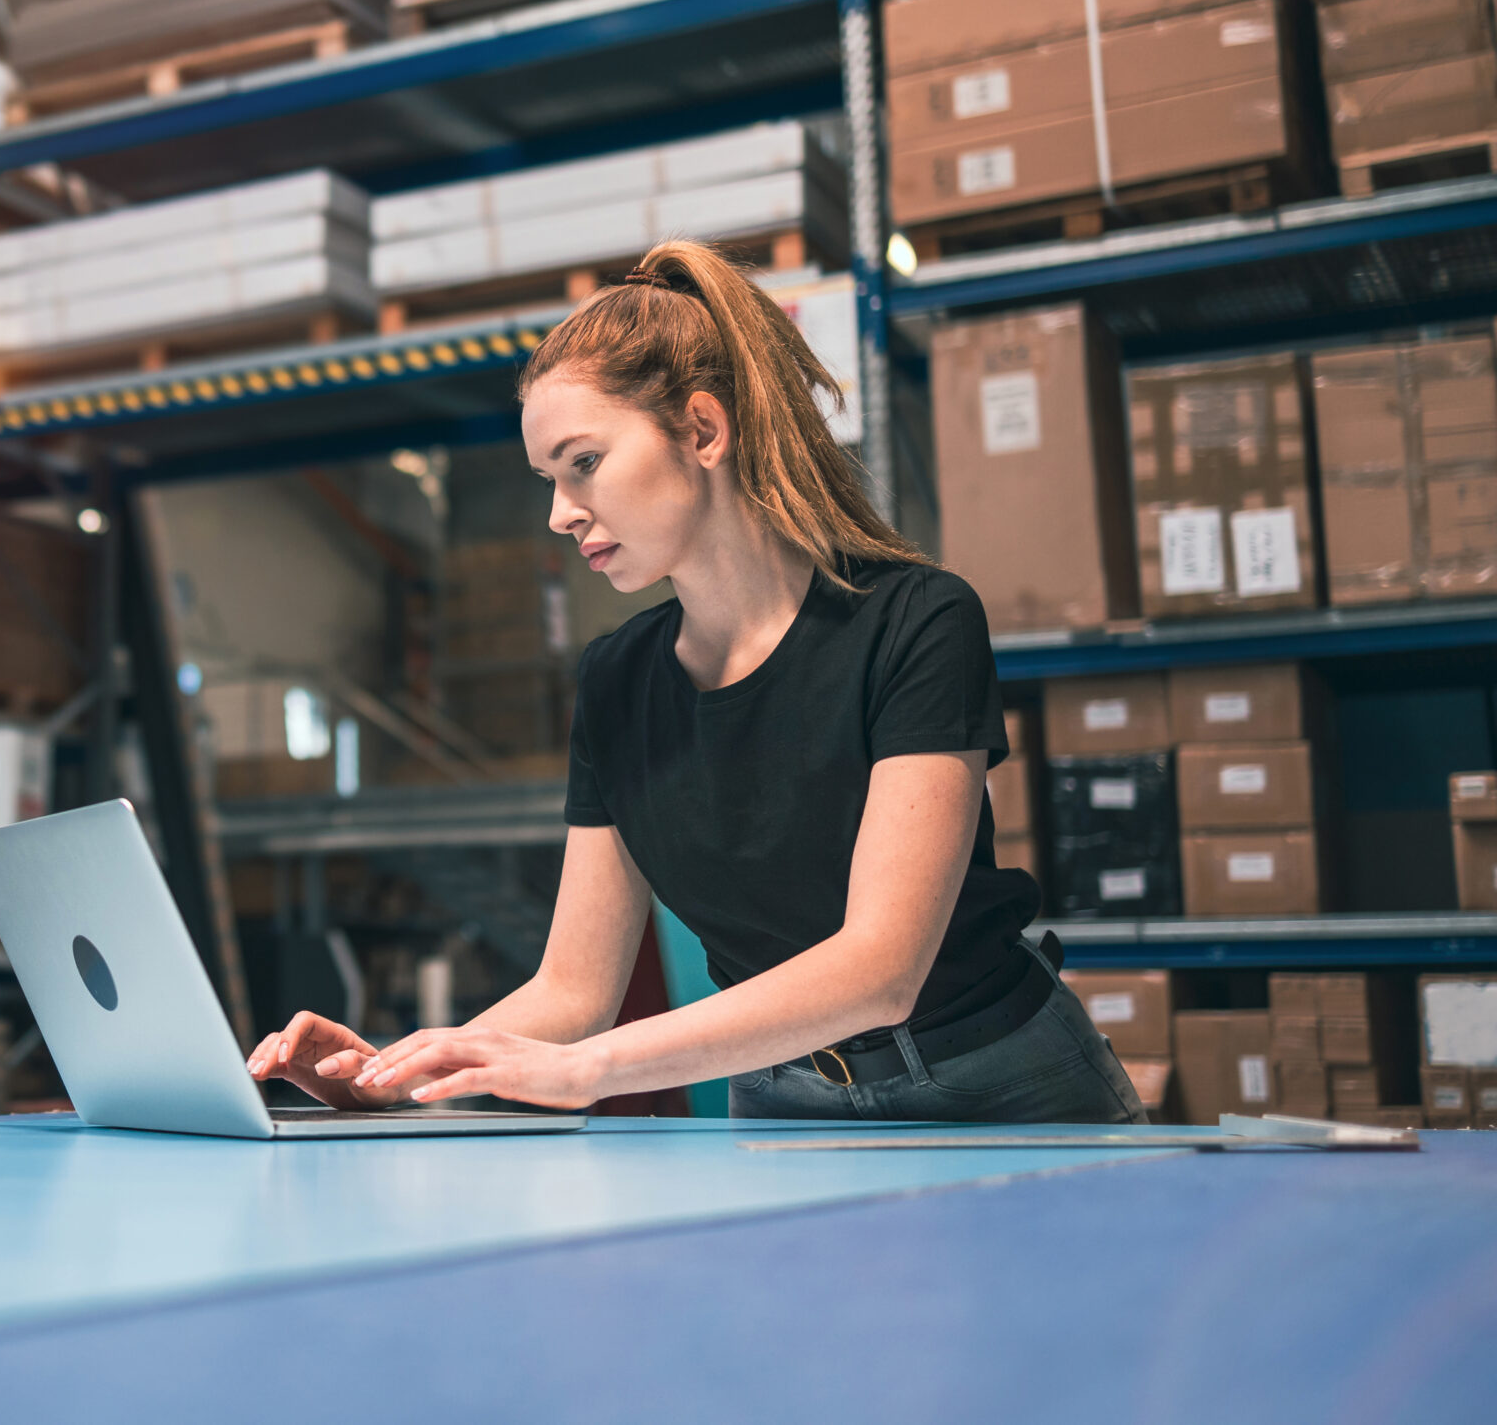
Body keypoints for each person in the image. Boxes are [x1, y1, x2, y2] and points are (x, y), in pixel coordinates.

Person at [248, 240, 1143, 1123]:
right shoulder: (615, 681)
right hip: (783, 1095)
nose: (561, 514)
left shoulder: (917, 621)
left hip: (998, 1085)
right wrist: (397, 1075)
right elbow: (571, 988)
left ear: (703, 430)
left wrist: (590, 1069)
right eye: (548, 479)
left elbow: (882, 968)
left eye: (584, 462)